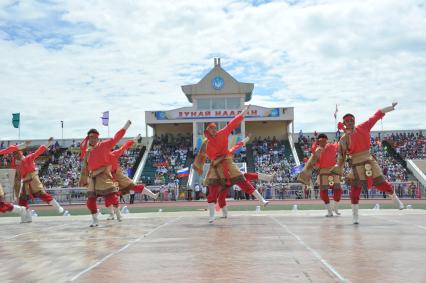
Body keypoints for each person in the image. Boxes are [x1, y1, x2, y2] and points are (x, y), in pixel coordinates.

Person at [192, 105, 269, 223]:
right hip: (215, 166)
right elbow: (201, 156)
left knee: (243, 180)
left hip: (227, 163)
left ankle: (262, 200)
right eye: (211, 128)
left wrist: (243, 113)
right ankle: (212, 216)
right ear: (207, 131)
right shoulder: (205, 143)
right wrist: (198, 166)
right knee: (213, 191)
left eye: (215, 128)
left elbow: (233, 124)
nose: (214, 130)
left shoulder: (223, 133)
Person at [332, 103, 404, 224]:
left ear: (354, 121)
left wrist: (389, 107)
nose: (350, 122)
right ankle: (355, 216)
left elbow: (376, 115)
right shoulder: (343, 139)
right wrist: (338, 166)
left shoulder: (364, 126)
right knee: (355, 192)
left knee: (383, 184)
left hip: (368, 159)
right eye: (347, 121)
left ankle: (395, 199)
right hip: (355, 164)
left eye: (351, 120)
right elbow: (341, 155)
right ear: (344, 123)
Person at [79, 121, 130, 227]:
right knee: (90, 201)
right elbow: (85, 163)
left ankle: (117, 212)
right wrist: (84, 178)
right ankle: (95, 220)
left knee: (112, 197)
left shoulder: (104, 145)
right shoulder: (87, 150)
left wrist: (126, 126)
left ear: (98, 138)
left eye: (94, 137)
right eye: (90, 137)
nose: (91, 139)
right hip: (92, 177)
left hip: (103, 175)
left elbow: (116, 138)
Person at [106, 134, 159, 220]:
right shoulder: (101, 157)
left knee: (134, 186)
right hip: (109, 177)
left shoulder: (114, 154)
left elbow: (125, 146)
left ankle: (153, 195)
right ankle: (112, 214)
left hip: (118, 175)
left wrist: (134, 139)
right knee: (109, 195)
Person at [13, 138, 65, 223]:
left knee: (42, 194)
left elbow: (39, 151)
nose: (15, 156)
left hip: (33, 179)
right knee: (22, 200)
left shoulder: (28, 158)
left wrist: (48, 143)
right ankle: (27, 218)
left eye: (16, 154)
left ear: (21, 153)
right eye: (14, 155)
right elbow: (19, 176)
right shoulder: (18, 165)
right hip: (25, 182)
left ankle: (58, 207)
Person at [298, 134, 342, 217]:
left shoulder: (323, 147)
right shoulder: (326, 147)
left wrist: (316, 141)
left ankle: (333, 209)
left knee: (335, 190)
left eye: (323, 141)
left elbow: (339, 144)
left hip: (330, 170)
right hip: (327, 171)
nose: (322, 142)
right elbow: (339, 143)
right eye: (321, 141)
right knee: (328, 191)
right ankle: (332, 209)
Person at [0, 143, 28, 221]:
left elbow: (8, 150)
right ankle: (23, 212)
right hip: (19, 180)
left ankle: (24, 212)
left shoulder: (22, 159)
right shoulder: (15, 160)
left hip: (23, 180)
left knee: (21, 198)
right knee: (19, 198)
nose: (13, 154)